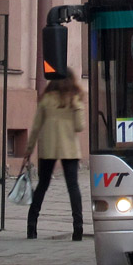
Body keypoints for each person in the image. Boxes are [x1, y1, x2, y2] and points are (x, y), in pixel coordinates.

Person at [24, 68, 86, 241]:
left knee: (42, 185)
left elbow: (36, 126)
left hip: (48, 147)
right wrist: (76, 109)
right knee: (73, 186)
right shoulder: (74, 99)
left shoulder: (46, 99)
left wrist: (29, 149)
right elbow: (80, 126)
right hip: (70, 149)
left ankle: (31, 226)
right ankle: (78, 227)